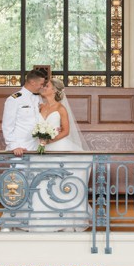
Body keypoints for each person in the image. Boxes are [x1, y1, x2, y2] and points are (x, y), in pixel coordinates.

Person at [27, 78, 92, 231]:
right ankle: (38, 219)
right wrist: (40, 138)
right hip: (41, 146)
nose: (44, 87)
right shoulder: (40, 107)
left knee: (56, 181)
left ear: (54, 90)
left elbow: (66, 131)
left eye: (47, 86)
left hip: (57, 145)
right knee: (39, 180)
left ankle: (63, 218)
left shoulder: (60, 108)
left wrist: (50, 139)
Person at [1, 68, 48, 155]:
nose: (42, 87)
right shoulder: (14, 99)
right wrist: (14, 146)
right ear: (33, 82)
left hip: (36, 147)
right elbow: (7, 125)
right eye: (41, 84)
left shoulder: (38, 97)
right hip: (20, 148)